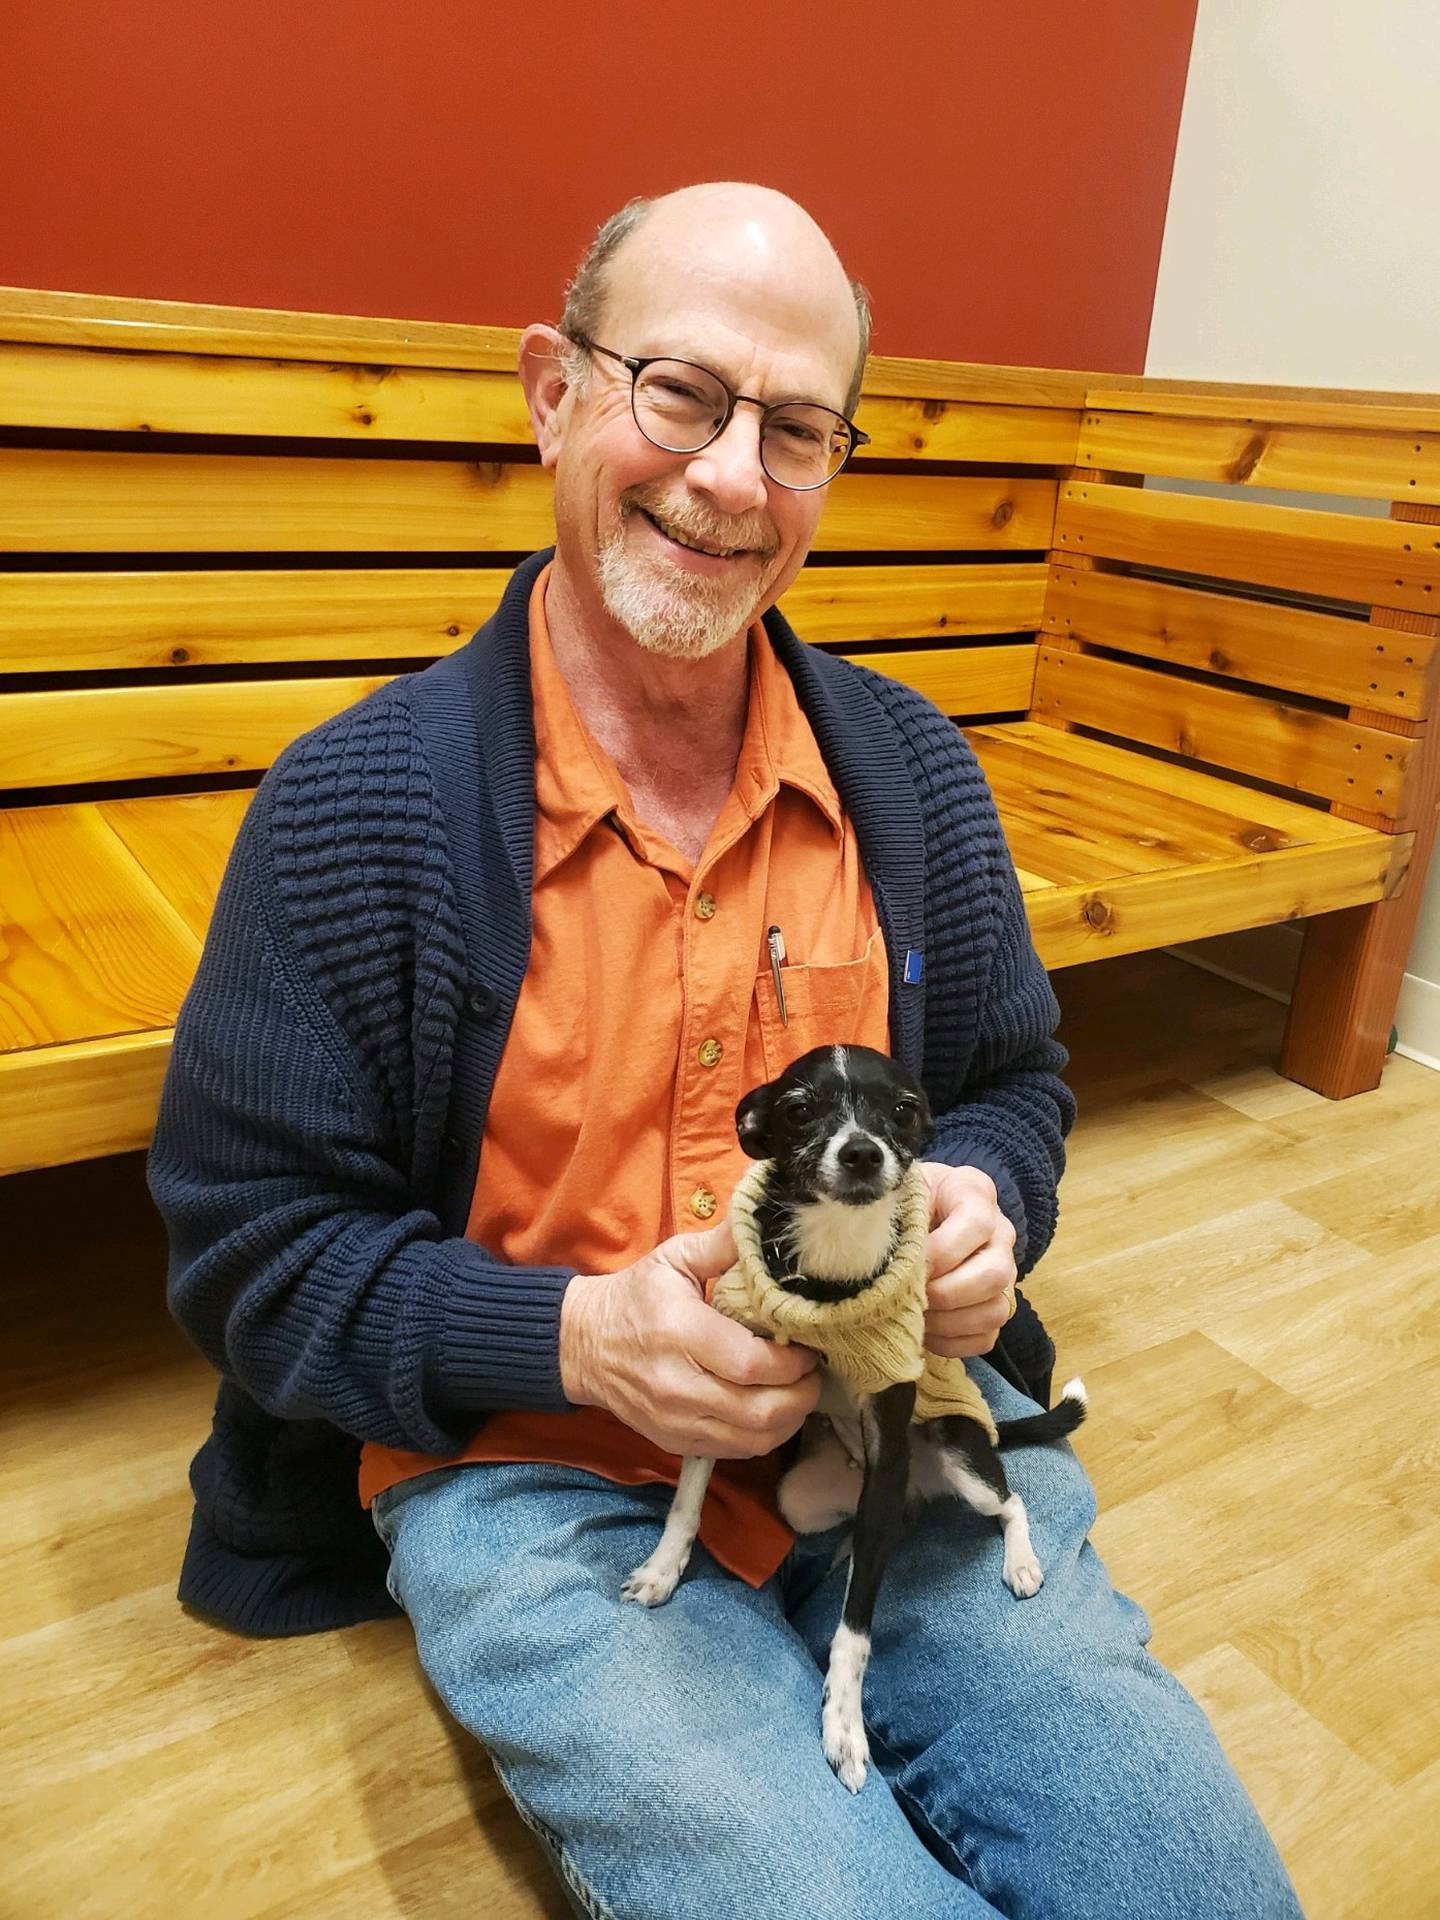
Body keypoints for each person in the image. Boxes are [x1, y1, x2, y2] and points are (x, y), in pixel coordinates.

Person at [149, 182, 1302, 1919]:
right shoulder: (346, 815)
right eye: (679, 392)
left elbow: (1015, 1083)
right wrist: (577, 1332)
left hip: (891, 1411)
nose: (733, 477)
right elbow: (253, 1256)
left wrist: (990, 1195)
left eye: (797, 428)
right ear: (553, 390)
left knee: (1194, 1881)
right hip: (535, 1471)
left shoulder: (914, 778)